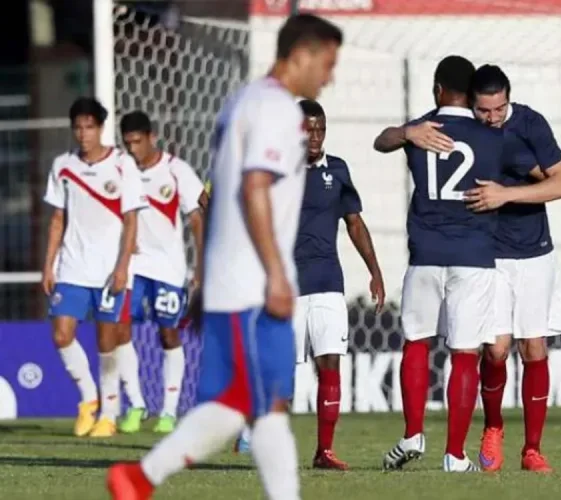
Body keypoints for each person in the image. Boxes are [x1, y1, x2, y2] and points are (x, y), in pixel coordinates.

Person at [107, 13, 343, 499]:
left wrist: (209, 277)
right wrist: (277, 275)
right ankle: (141, 476)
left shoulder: (242, 101)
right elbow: (255, 187)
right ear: (301, 54)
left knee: (251, 404)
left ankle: (139, 478)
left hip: (234, 282)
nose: (330, 76)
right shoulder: (277, 110)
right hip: (252, 286)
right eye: (327, 62)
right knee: (258, 404)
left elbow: (221, 197)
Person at [381, 55, 529, 473]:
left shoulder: (420, 130)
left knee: (415, 342)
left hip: (425, 254)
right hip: (474, 257)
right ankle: (454, 454)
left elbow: (381, 141)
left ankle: (412, 434)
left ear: (437, 89)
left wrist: (407, 132)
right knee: (464, 353)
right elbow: (538, 173)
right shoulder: (492, 138)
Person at [235, 100, 385, 470]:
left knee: (329, 364)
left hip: (328, 282)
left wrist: (375, 270)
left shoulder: (338, 170)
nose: (315, 136)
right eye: (308, 129)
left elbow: (354, 223)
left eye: (320, 129)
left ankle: (324, 451)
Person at [463, 65, 561, 473]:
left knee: (533, 348)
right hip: (487, 254)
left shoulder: (529, 124)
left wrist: (505, 195)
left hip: (532, 253)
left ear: (508, 99)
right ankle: (493, 427)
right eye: (484, 110)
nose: (491, 117)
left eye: (498, 109)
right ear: (471, 103)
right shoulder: (464, 130)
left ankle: (532, 450)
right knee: (495, 349)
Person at [42, 97, 147, 438]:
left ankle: (110, 413)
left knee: (107, 343)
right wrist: (48, 265)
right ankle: (89, 398)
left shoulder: (122, 164)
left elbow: (131, 221)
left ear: (100, 128)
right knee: (61, 334)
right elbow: (58, 218)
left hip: (108, 271)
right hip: (72, 267)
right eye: (78, 127)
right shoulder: (63, 166)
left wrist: (122, 267)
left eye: (90, 127)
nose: (83, 133)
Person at [115, 111, 208, 434]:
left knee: (168, 334)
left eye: (137, 142)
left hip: (169, 267)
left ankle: (168, 411)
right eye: (127, 143)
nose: (132, 149)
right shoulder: (122, 169)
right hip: (133, 265)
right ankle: (137, 403)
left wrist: (202, 264)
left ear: (151, 137)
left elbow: (198, 215)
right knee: (119, 327)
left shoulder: (175, 169)